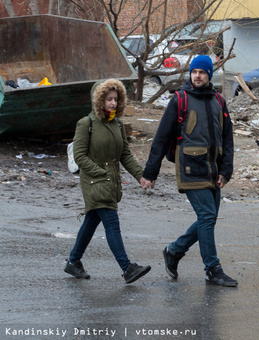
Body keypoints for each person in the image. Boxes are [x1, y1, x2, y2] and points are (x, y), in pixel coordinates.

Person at [141, 55, 237, 287]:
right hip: (190, 168)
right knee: (206, 216)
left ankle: (174, 251)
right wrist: (150, 172)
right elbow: (162, 137)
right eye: (194, 72)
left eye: (202, 72)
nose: (197, 76)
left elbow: (228, 138)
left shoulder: (219, 100)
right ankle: (212, 269)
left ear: (209, 75)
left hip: (213, 169)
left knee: (209, 217)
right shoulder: (180, 100)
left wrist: (227, 169)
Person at [65, 79, 151, 284]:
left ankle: (73, 261)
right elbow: (80, 156)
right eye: (108, 99)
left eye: (116, 99)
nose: (113, 103)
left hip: (111, 180)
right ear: (99, 100)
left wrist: (141, 175)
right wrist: (100, 172)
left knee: (92, 220)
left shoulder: (118, 124)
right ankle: (127, 268)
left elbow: (125, 155)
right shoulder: (86, 123)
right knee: (112, 222)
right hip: (94, 181)